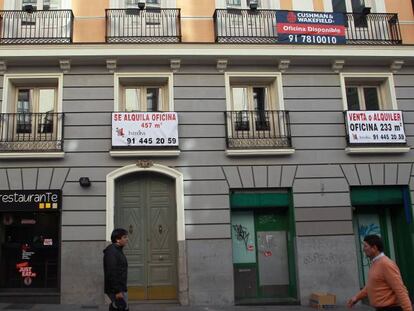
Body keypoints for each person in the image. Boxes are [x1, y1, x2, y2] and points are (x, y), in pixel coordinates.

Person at [347, 234, 412, 311]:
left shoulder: (386, 264)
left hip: (391, 308)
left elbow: (400, 289)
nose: (363, 249)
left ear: (374, 248)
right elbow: (371, 285)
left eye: (365, 246)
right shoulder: (375, 263)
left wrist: (408, 309)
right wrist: (357, 297)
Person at [103, 228, 129, 311]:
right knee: (123, 308)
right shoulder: (112, 252)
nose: (127, 239)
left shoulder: (117, 250)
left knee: (117, 307)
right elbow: (111, 272)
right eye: (124, 237)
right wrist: (117, 291)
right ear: (117, 239)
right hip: (116, 289)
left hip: (119, 287)